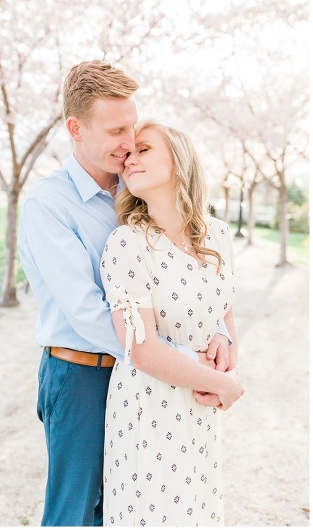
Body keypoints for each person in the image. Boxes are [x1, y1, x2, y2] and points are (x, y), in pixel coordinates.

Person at [17, 60, 238, 526]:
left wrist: (216, 332)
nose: (127, 144)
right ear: (75, 128)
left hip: (151, 373)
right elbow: (87, 312)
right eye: (116, 131)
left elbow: (186, 270)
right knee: (76, 513)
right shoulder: (47, 205)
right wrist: (181, 362)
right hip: (81, 373)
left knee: (141, 505)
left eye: (132, 129)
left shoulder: (139, 187)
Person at [100, 120, 241, 526]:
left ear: (178, 163)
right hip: (148, 406)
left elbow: (227, 313)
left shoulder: (219, 234)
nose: (129, 158)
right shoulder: (127, 242)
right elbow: (140, 350)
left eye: (144, 149)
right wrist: (225, 385)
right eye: (129, 154)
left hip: (200, 405)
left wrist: (227, 358)